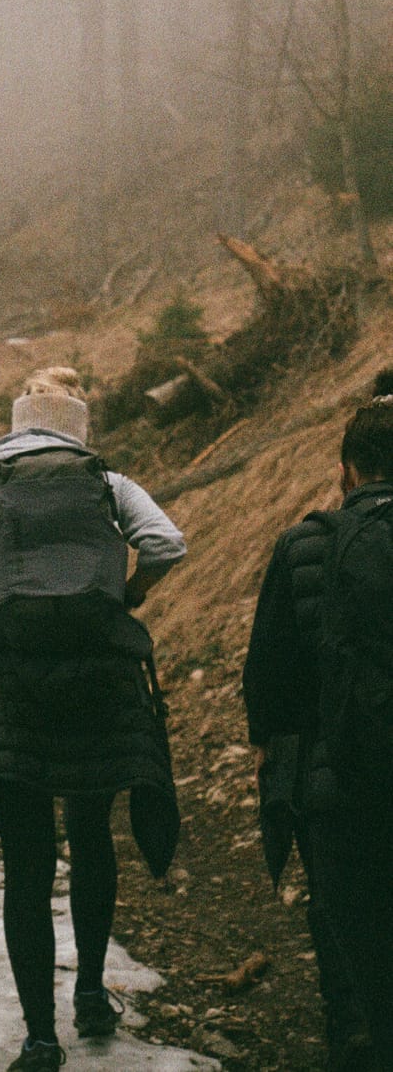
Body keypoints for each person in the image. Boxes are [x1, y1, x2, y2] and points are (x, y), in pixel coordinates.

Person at [0, 367, 186, 1071]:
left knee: (25, 861)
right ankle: (89, 991)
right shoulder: (108, 486)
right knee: (90, 837)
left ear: (16, 428)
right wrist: (126, 594)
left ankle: (37, 1036)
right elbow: (167, 543)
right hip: (95, 679)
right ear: (78, 432)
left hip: (12, 684)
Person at [244, 395, 393, 1071]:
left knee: (354, 933)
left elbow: (269, 683)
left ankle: (354, 1030)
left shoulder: (303, 543)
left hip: (339, 784)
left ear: (349, 470)